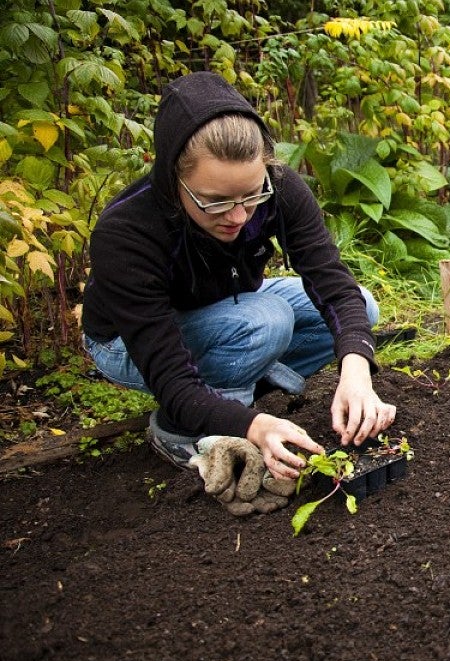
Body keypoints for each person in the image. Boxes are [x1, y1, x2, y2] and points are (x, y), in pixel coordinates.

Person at [82, 72, 396, 510]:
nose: (239, 216)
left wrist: (357, 370)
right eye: (215, 201)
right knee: (265, 322)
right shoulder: (127, 231)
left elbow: (334, 285)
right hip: (125, 342)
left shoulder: (279, 188)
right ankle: (181, 430)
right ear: (176, 180)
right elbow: (170, 377)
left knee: (362, 308)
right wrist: (254, 425)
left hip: (230, 305)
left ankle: (237, 380)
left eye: (251, 196)